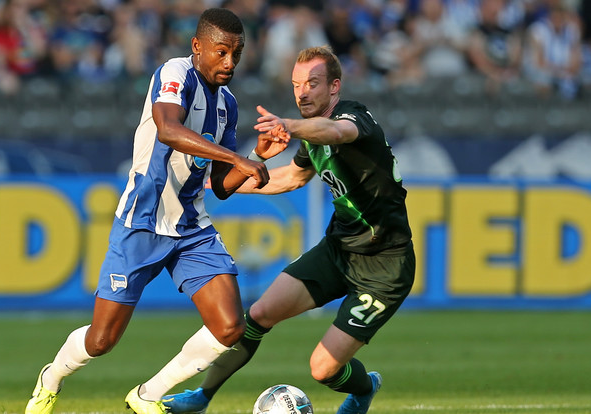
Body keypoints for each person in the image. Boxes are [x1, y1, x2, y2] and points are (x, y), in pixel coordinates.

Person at [25, 8, 288, 414]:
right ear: (197, 46)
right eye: (221, 52)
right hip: (142, 221)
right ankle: (52, 377)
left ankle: (148, 395)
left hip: (190, 225)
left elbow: (219, 186)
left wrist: (254, 155)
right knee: (101, 340)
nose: (230, 62)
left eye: (236, 53)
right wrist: (237, 158)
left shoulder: (228, 105)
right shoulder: (175, 73)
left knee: (230, 326)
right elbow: (167, 129)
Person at [163, 45, 415, 414]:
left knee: (324, 369)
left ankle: (364, 388)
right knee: (259, 313)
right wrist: (214, 185)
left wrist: (290, 126)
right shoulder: (312, 135)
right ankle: (201, 397)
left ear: (334, 87)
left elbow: (336, 131)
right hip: (339, 250)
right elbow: (291, 178)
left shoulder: (353, 118)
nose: (302, 92)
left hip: (385, 268)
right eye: (297, 84)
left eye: (313, 83)